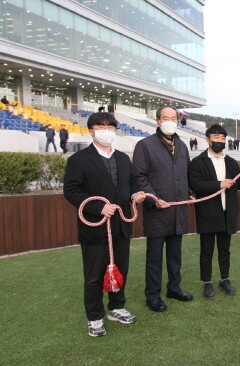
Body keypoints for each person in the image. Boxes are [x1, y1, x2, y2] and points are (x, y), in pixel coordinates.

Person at [64, 112, 146, 337]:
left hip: (121, 226)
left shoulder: (122, 158)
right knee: (94, 275)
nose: (106, 130)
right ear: (91, 130)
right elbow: (71, 191)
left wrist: (135, 195)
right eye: (101, 126)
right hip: (95, 227)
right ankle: (94, 317)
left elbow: (128, 186)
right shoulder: (78, 160)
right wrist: (98, 208)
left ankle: (116, 307)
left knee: (121, 270)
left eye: (110, 127)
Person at [132, 106, 195, 313]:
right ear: (157, 121)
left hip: (178, 211)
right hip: (157, 212)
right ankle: (153, 295)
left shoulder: (182, 145)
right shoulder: (144, 145)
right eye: (165, 117)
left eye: (173, 118)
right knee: (155, 257)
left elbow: (184, 175)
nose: (169, 120)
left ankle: (174, 288)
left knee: (175, 255)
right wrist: (154, 199)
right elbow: (139, 177)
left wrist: (190, 192)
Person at [189, 124, 240, 299]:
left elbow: (239, 185)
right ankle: (207, 282)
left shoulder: (231, 162)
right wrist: (219, 184)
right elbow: (195, 184)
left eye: (223, 138)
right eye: (216, 138)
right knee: (207, 250)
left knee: (225, 250)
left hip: (228, 213)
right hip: (208, 214)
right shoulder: (197, 162)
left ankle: (225, 279)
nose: (220, 141)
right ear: (208, 139)